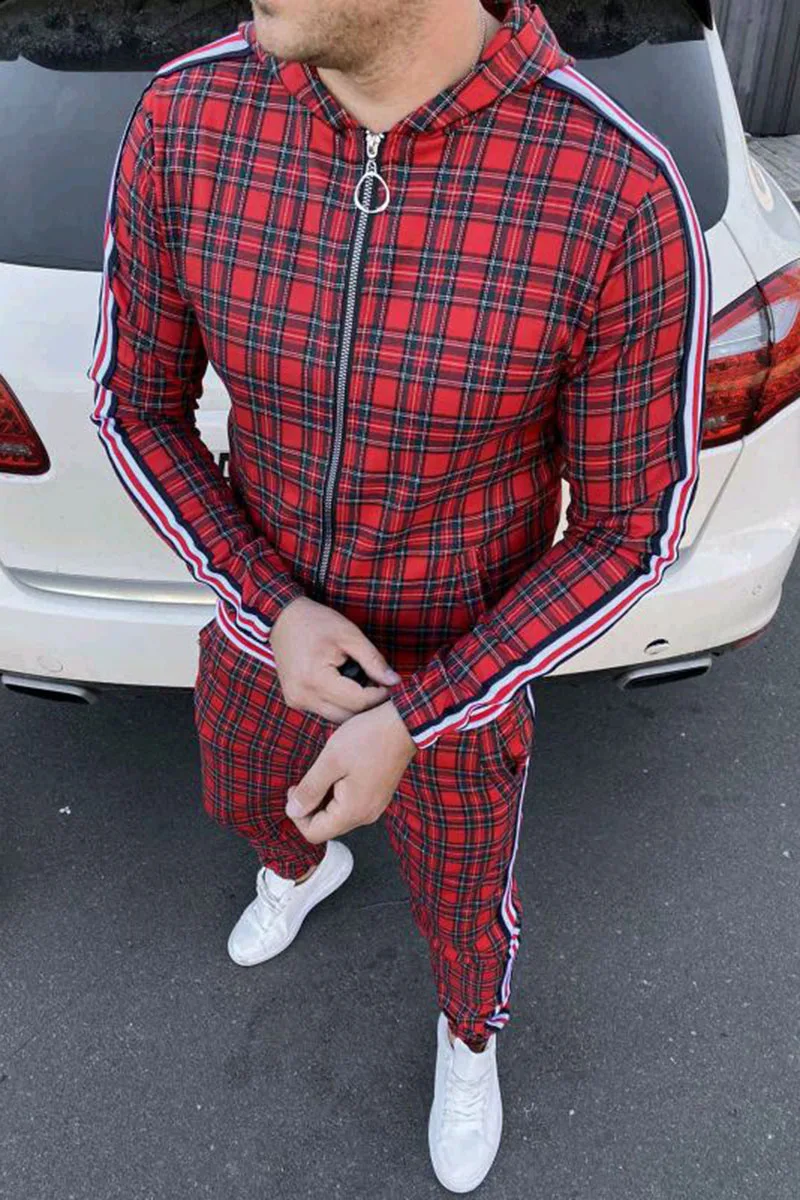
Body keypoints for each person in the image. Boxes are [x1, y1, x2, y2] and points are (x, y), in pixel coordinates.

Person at [87, 0, 711, 1189]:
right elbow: (138, 404)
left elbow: (630, 527)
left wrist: (418, 715)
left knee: (464, 906)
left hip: (459, 677)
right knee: (245, 799)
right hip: (262, 633)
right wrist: (267, 604)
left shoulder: (613, 191)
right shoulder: (186, 116)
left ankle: (468, 1040)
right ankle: (299, 870)